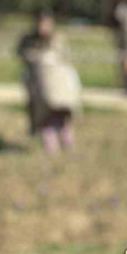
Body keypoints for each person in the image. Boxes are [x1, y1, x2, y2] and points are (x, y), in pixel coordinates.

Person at [17, 10, 81, 155]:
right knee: (45, 118)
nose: (43, 27)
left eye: (46, 23)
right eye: (40, 23)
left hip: (59, 85)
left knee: (62, 116)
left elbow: (65, 59)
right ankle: (51, 148)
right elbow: (21, 54)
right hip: (38, 86)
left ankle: (67, 143)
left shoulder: (58, 39)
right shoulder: (28, 40)